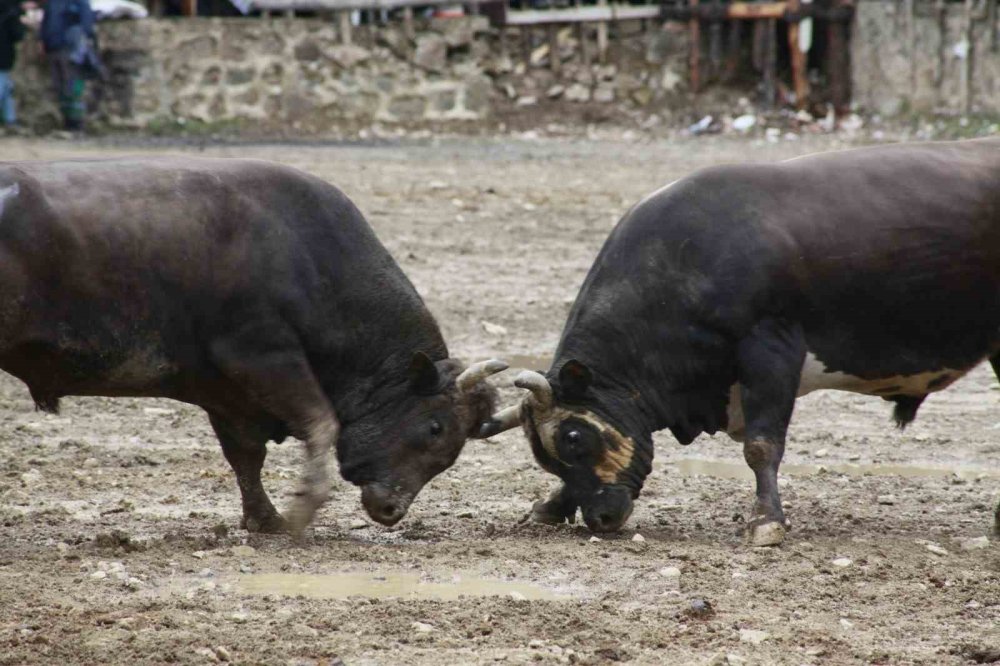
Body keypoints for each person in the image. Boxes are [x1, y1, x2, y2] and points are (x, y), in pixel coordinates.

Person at [40, 0, 94, 131]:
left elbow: (86, 26)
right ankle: (67, 120)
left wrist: (79, 43)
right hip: (53, 48)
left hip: (70, 49)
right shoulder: (53, 3)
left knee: (72, 85)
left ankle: (75, 122)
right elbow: (46, 23)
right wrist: (42, 41)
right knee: (60, 86)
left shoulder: (80, 3)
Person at [0, 0, 25, 128]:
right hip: (4, 57)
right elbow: (18, 35)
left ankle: (10, 119)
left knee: (7, 89)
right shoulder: (11, 13)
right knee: (3, 87)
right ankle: (10, 120)